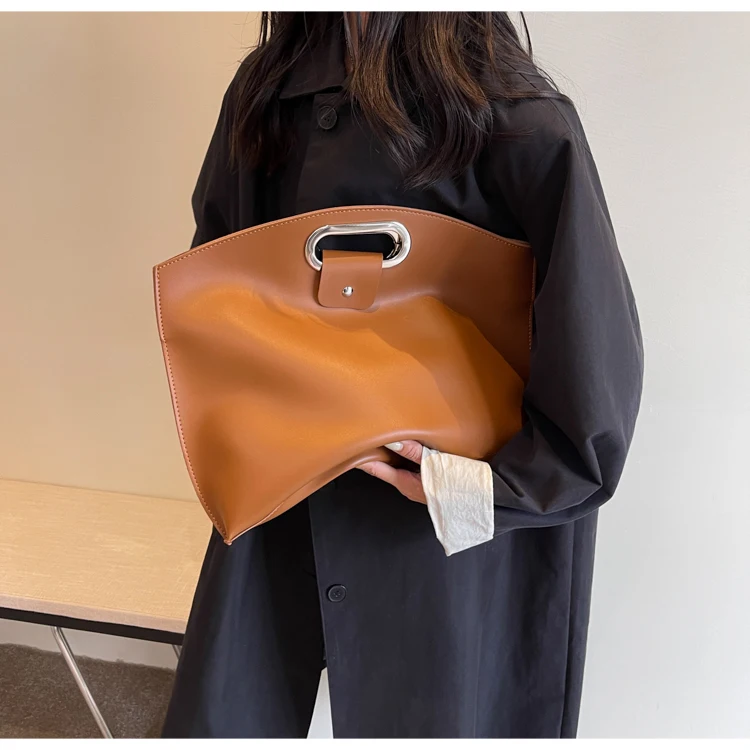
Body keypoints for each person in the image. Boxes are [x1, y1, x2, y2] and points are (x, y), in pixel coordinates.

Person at [161, 11, 643, 739]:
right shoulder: (266, 98)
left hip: (442, 524)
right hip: (284, 494)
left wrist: (471, 491)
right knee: (229, 712)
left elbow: (593, 375)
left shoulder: (513, 116)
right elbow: (218, 296)